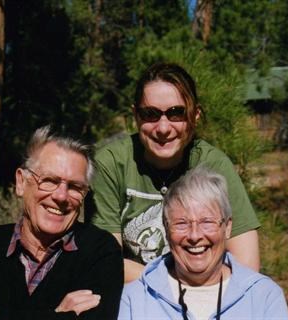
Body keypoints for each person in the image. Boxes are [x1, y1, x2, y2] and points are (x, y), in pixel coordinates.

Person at [88, 62, 261, 282]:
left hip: (205, 295)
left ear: (195, 115)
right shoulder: (111, 164)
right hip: (134, 296)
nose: (163, 128)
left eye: (176, 113)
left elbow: (247, 265)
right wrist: (176, 286)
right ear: (136, 115)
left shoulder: (214, 166)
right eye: (150, 114)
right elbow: (105, 261)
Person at [0, 126, 124, 320]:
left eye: (75, 187)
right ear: (21, 182)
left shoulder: (100, 250)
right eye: (49, 180)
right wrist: (57, 315)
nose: (61, 196)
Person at [118, 166, 288, 319]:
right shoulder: (136, 297)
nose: (194, 235)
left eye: (207, 222)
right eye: (181, 223)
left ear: (227, 227)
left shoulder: (263, 296)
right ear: (166, 229)